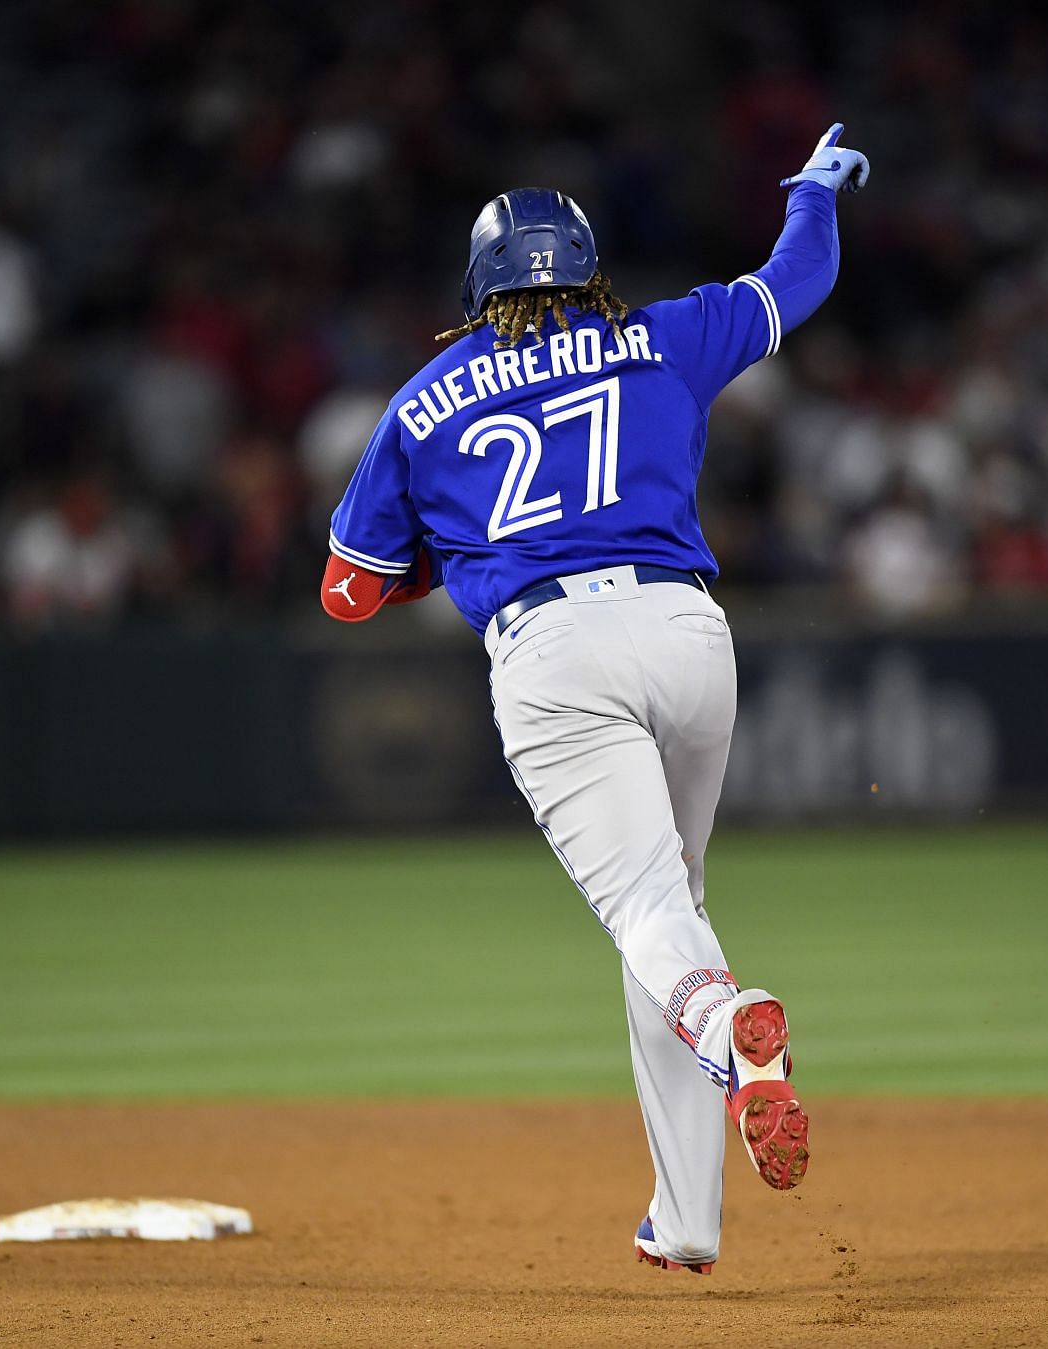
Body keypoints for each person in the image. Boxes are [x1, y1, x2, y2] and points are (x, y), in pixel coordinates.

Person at [320, 126, 869, 1274]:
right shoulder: (659, 337)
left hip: (555, 653)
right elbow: (796, 282)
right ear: (588, 268)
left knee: (650, 919)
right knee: (669, 908)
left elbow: (346, 591)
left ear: (479, 287)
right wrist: (811, 192)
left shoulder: (424, 402)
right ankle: (687, 1220)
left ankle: (732, 1031)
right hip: (686, 631)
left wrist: (445, 549)